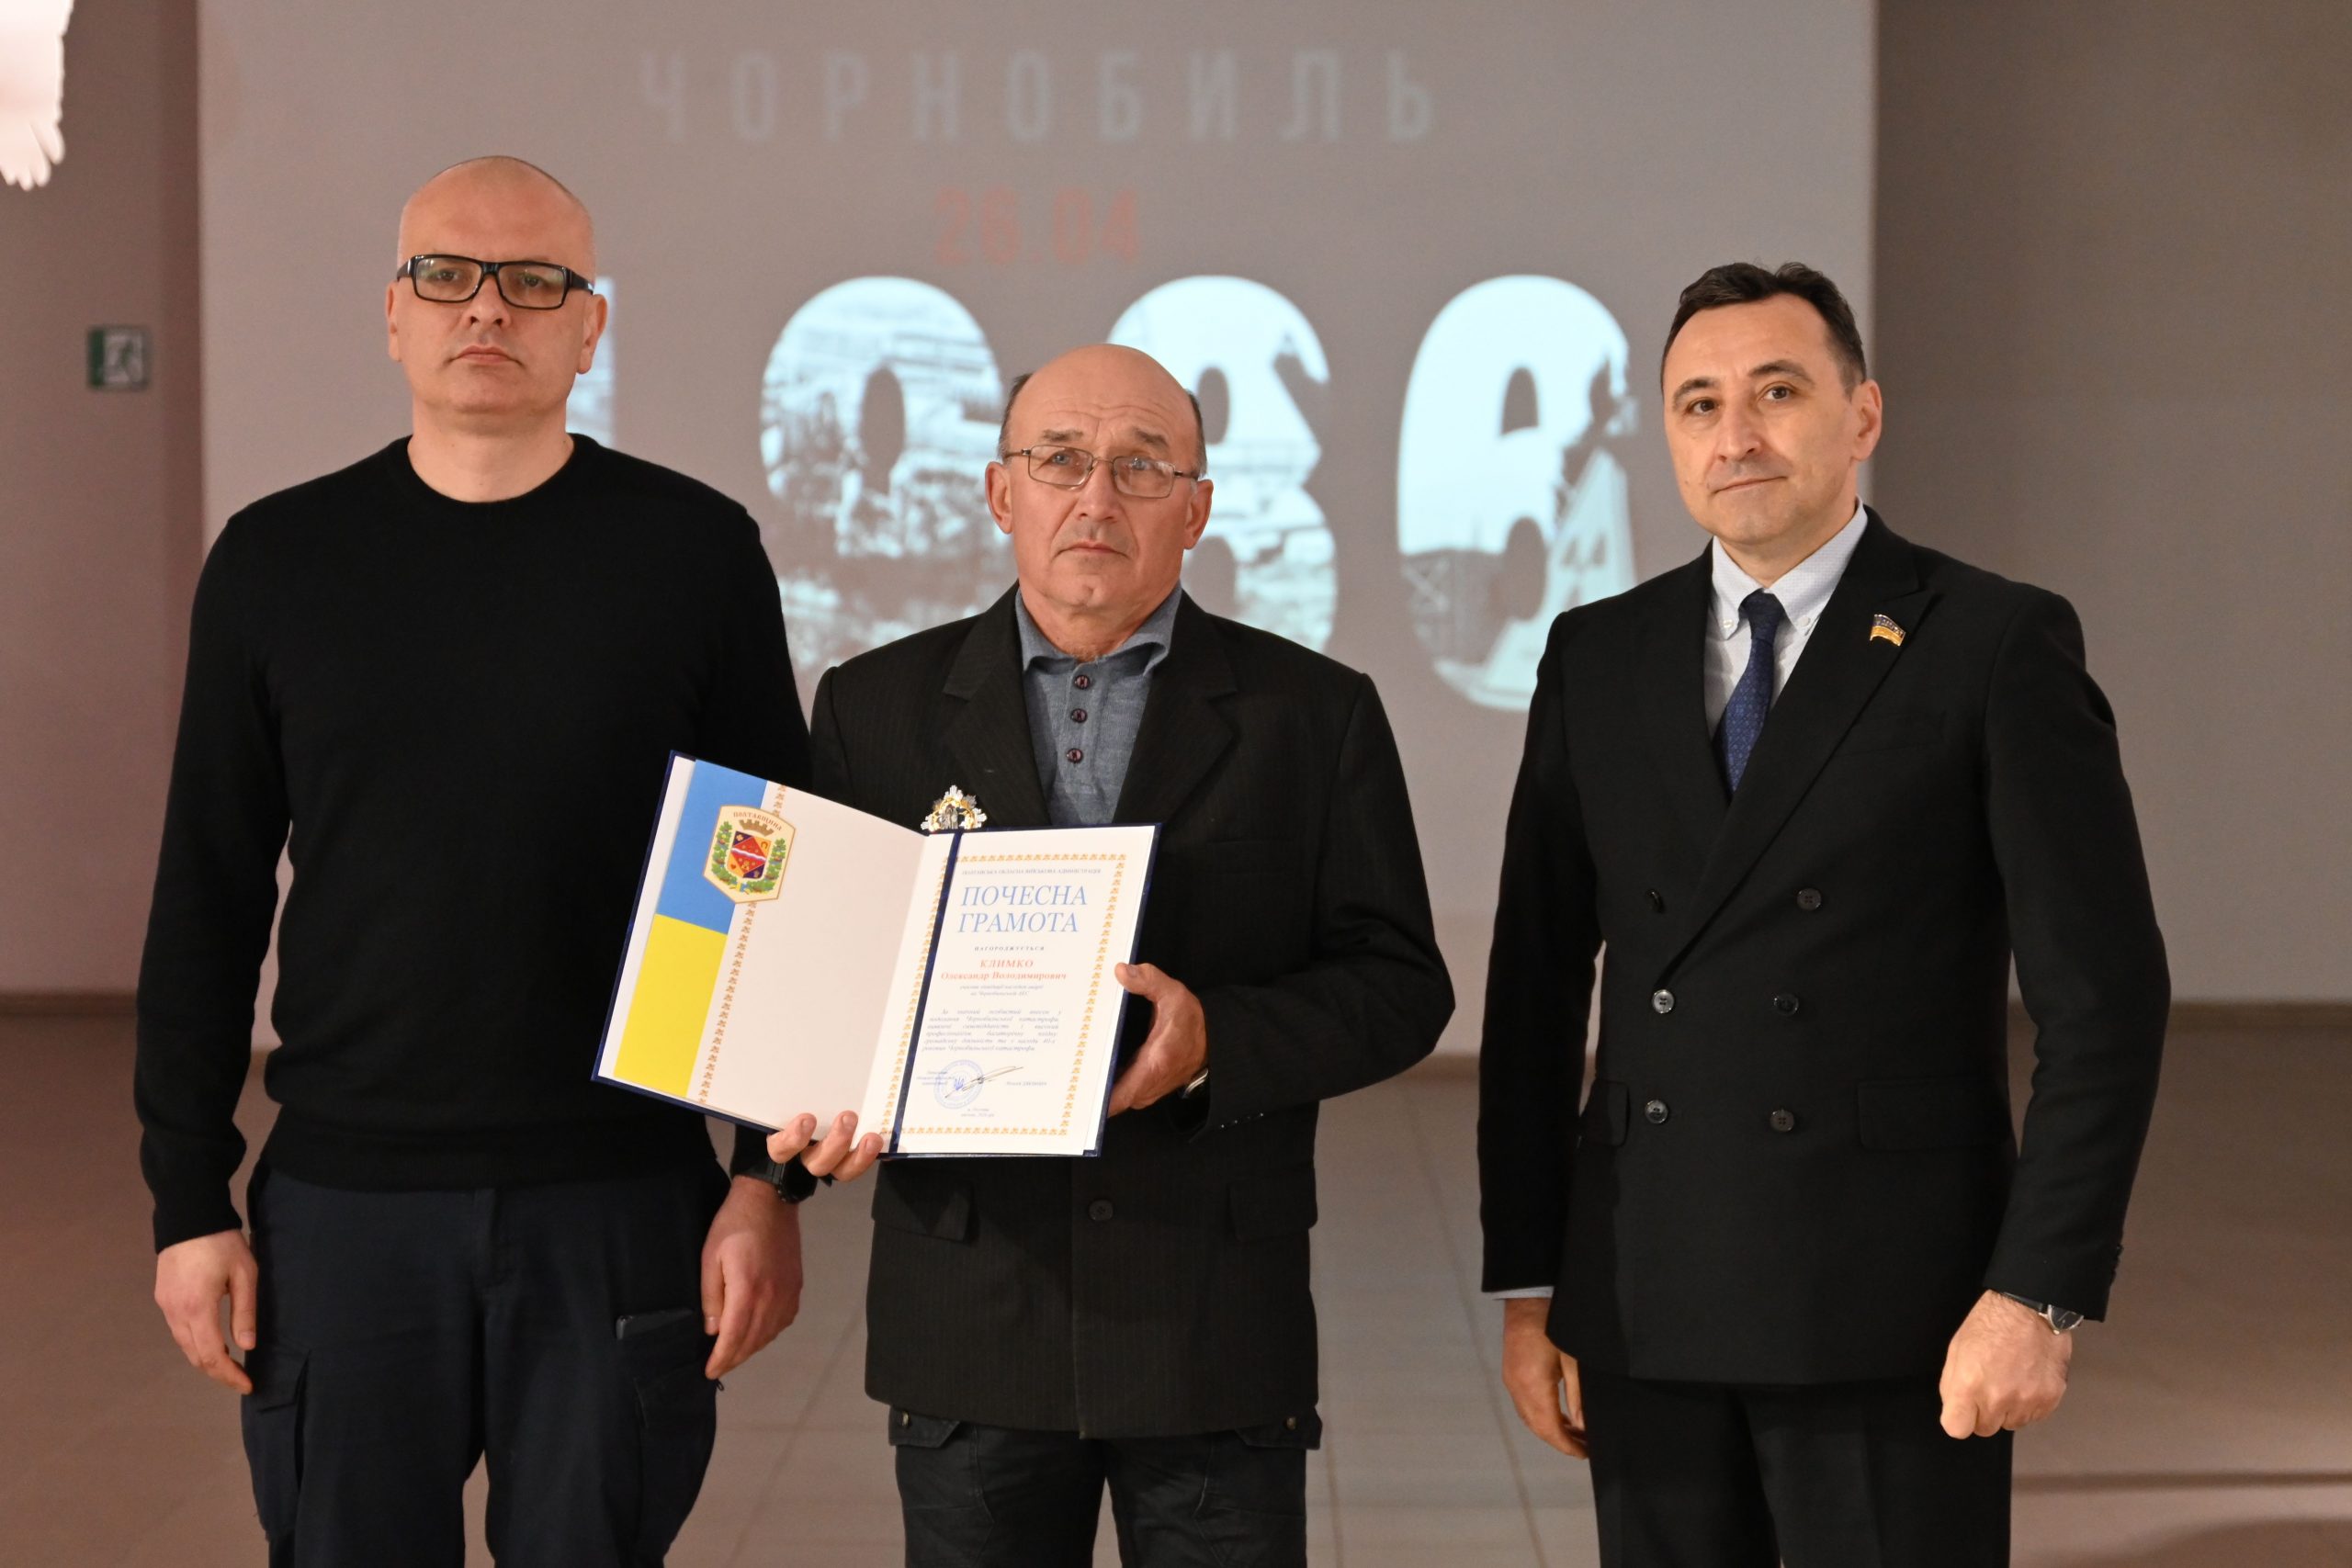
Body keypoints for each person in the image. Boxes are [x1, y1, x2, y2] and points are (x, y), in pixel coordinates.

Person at [137, 156, 816, 1567]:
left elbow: (776, 877)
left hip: (619, 1192)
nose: (486, 308)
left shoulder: (694, 554)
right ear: (394, 312)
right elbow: (208, 894)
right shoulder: (277, 560)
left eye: (534, 281)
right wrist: (188, 1204)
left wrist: (765, 1179)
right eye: (445, 275)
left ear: (591, 325)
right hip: (345, 1202)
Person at [1478, 262, 2168, 1567]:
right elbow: (1534, 996)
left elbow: (2105, 1006)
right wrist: (1529, 1285)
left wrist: (2036, 1293)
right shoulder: (1597, 654)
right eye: (1698, 404)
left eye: (1777, 392)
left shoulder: (1992, 642)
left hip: (1897, 1306)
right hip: (1647, 1290)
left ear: (1863, 416)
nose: (1734, 435)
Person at [773, 343, 1453, 1566]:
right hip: (971, 1316)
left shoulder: (1313, 713)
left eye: (1142, 466)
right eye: (1060, 460)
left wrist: (1218, 1041)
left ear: (1197, 508)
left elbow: (1401, 985)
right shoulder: (873, 707)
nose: (1097, 496)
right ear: (1002, 492)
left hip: (1212, 1322)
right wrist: (804, 1114)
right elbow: (823, 980)